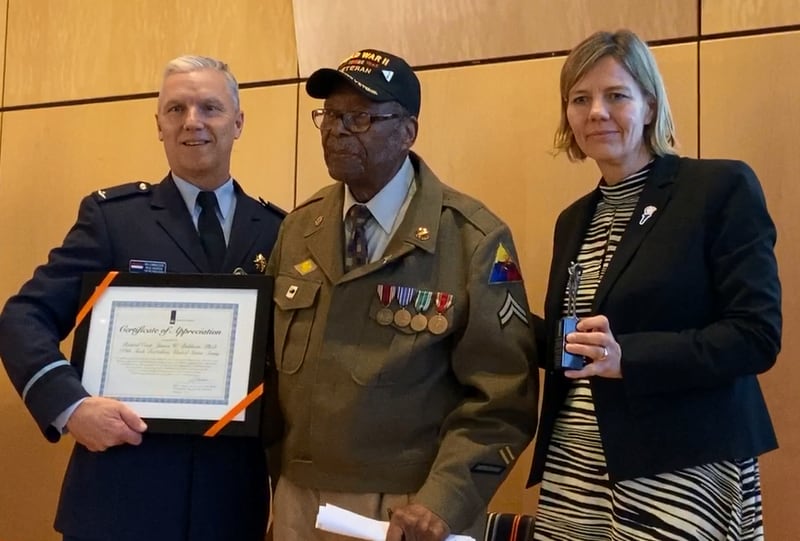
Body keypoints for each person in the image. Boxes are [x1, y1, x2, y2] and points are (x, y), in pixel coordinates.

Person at [0, 55, 284, 541]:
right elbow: (23, 318)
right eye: (176, 110)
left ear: (238, 122)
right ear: (159, 126)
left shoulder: (281, 231)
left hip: (230, 503)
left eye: (209, 107)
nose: (192, 122)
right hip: (119, 498)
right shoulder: (114, 219)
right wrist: (72, 407)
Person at [267, 48, 538, 540]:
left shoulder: (473, 238)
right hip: (297, 501)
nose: (336, 130)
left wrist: (443, 502)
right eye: (330, 115)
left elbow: (502, 401)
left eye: (361, 117)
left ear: (407, 131)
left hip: (411, 509)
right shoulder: (299, 228)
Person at [527, 29, 781, 540]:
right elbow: (575, 345)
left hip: (683, 468)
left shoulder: (717, 189)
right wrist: (484, 315)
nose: (596, 111)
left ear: (649, 104)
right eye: (580, 99)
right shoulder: (572, 220)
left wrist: (630, 358)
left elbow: (755, 336)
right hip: (576, 468)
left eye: (615, 95)